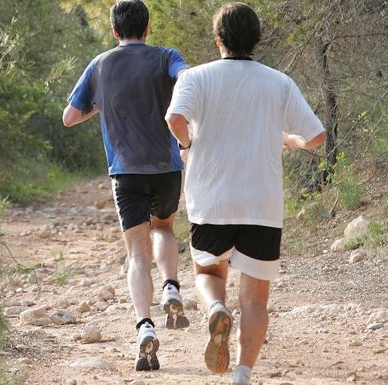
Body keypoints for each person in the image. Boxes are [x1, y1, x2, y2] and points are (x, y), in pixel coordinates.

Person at [165, 3, 326, 384]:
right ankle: (242, 373)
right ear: (258, 38)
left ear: (217, 38)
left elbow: (174, 119)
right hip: (262, 204)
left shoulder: (195, 77)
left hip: (211, 200)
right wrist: (290, 140)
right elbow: (317, 136)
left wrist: (188, 143)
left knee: (207, 270)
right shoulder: (278, 82)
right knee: (255, 299)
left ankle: (216, 307)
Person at [62, 0, 190, 372]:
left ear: (114, 31)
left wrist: (100, 103)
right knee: (164, 228)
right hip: (166, 166)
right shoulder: (166, 56)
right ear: (147, 28)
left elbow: (69, 117)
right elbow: (188, 77)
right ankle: (171, 286)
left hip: (125, 171)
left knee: (136, 253)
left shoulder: (99, 65)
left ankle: (144, 326)